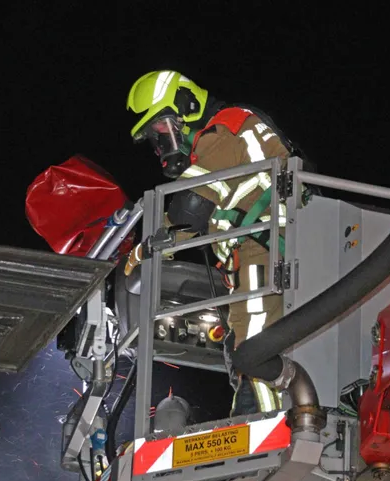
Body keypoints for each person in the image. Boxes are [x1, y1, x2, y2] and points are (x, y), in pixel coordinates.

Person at [123, 70, 302, 417]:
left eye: (160, 130)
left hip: (264, 253)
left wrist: (145, 250)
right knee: (242, 345)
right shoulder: (228, 132)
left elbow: (188, 210)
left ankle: (263, 424)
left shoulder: (224, 130)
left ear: (186, 106)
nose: (160, 145)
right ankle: (256, 417)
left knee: (254, 346)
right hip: (261, 253)